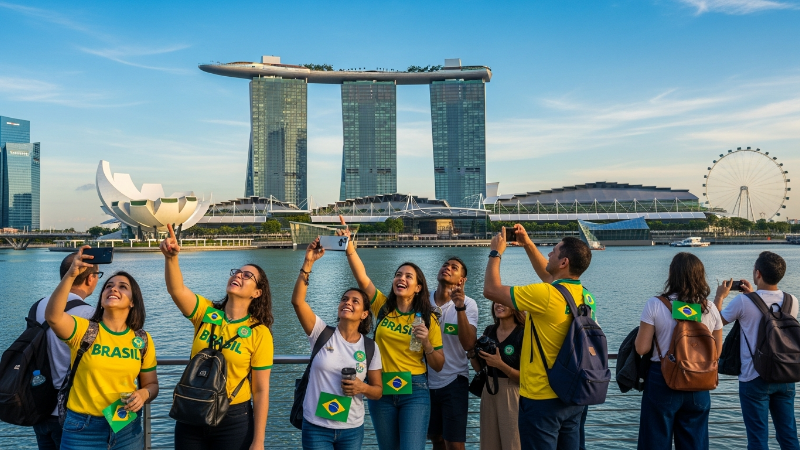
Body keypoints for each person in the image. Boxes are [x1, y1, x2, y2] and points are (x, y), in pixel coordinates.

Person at [482, 225, 596, 450]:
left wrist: (496, 252)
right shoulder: (585, 296)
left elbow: (491, 290)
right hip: (572, 395)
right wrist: (526, 243)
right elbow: (547, 274)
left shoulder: (545, 294)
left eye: (553, 251)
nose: (549, 255)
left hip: (541, 398)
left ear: (564, 263)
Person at [161, 224, 273, 450]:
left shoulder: (259, 333)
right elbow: (177, 290)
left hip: (233, 418)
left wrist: (258, 441)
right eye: (237, 272)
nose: (238, 276)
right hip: (191, 409)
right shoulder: (206, 312)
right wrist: (171, 258)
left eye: (247, 276)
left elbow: (260, 391)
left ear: (257, 293)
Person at [336, 218, 445, 450]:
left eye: (408, 276)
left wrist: (426, 343)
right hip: (381, 388)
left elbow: (438, 365)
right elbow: (362, 278)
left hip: (414, 389)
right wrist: (349, 247)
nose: (401, 279)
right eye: (398, 275)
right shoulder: (383, 307)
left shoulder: (428, 318)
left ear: (418, 288)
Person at [44, 246, 158, 450]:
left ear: (133, 302)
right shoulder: (83, 329)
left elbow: (152, 385)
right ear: (102, 298)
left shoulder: (142, 339)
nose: (113, 289)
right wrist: (71, 275)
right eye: (108, 286)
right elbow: (53, 316)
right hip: (82, 430)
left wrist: (144, 394)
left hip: (126, 428)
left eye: (123, 287)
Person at [291, 238, 383, 449]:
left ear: (364, 314)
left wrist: (362, 387)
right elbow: (298, 301)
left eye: (355, 301)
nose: (347, 303)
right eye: (344, 299)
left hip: (351, 429)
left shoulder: (370, 347)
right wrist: (308, 263)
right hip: (316, 427)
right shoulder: (321, 333)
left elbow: (378, 391)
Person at [634, 252, 723, 450]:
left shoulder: (655, 305)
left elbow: (642, 348)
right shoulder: (710, 308)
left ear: (671, 274)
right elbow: (717, 352)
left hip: (662, 378)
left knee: (655, 442)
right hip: (699, 380)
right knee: (695, 443)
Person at [714, 251, 800, 450]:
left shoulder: (743, 302)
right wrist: (753, 294)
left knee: (757, 439)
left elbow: (715, 322)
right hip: (786, 375)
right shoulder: (792, 300)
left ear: (758, 273)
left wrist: (720, 296)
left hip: (754, 378)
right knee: (788, 436)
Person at [32, 252, 98, 450]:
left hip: (40, 405)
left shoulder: (39, 305)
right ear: (90, 278)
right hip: (71, 412)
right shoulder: (90, 315)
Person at [427, 257, 479, 450]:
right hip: (425, 380)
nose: (447, 268)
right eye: (445, 265)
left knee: (455, 444)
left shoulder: (469, 304)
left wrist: (460, 306)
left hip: (454, 380)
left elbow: (469, 344)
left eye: (454, 268)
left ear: (461, 280)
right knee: (436, 439)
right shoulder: (423, 300)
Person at [469, 302, 525, 450]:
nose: (498, 304)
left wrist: (500, 364)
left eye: (504, 301)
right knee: (488, 444)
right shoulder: (489, 330)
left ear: (515, 307)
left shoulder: (523, 333)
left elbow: (526, 378)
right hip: (489, 390)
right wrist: (472, 353)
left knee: (513, 444)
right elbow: (479, 369)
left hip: (512, 391)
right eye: (496, 301)